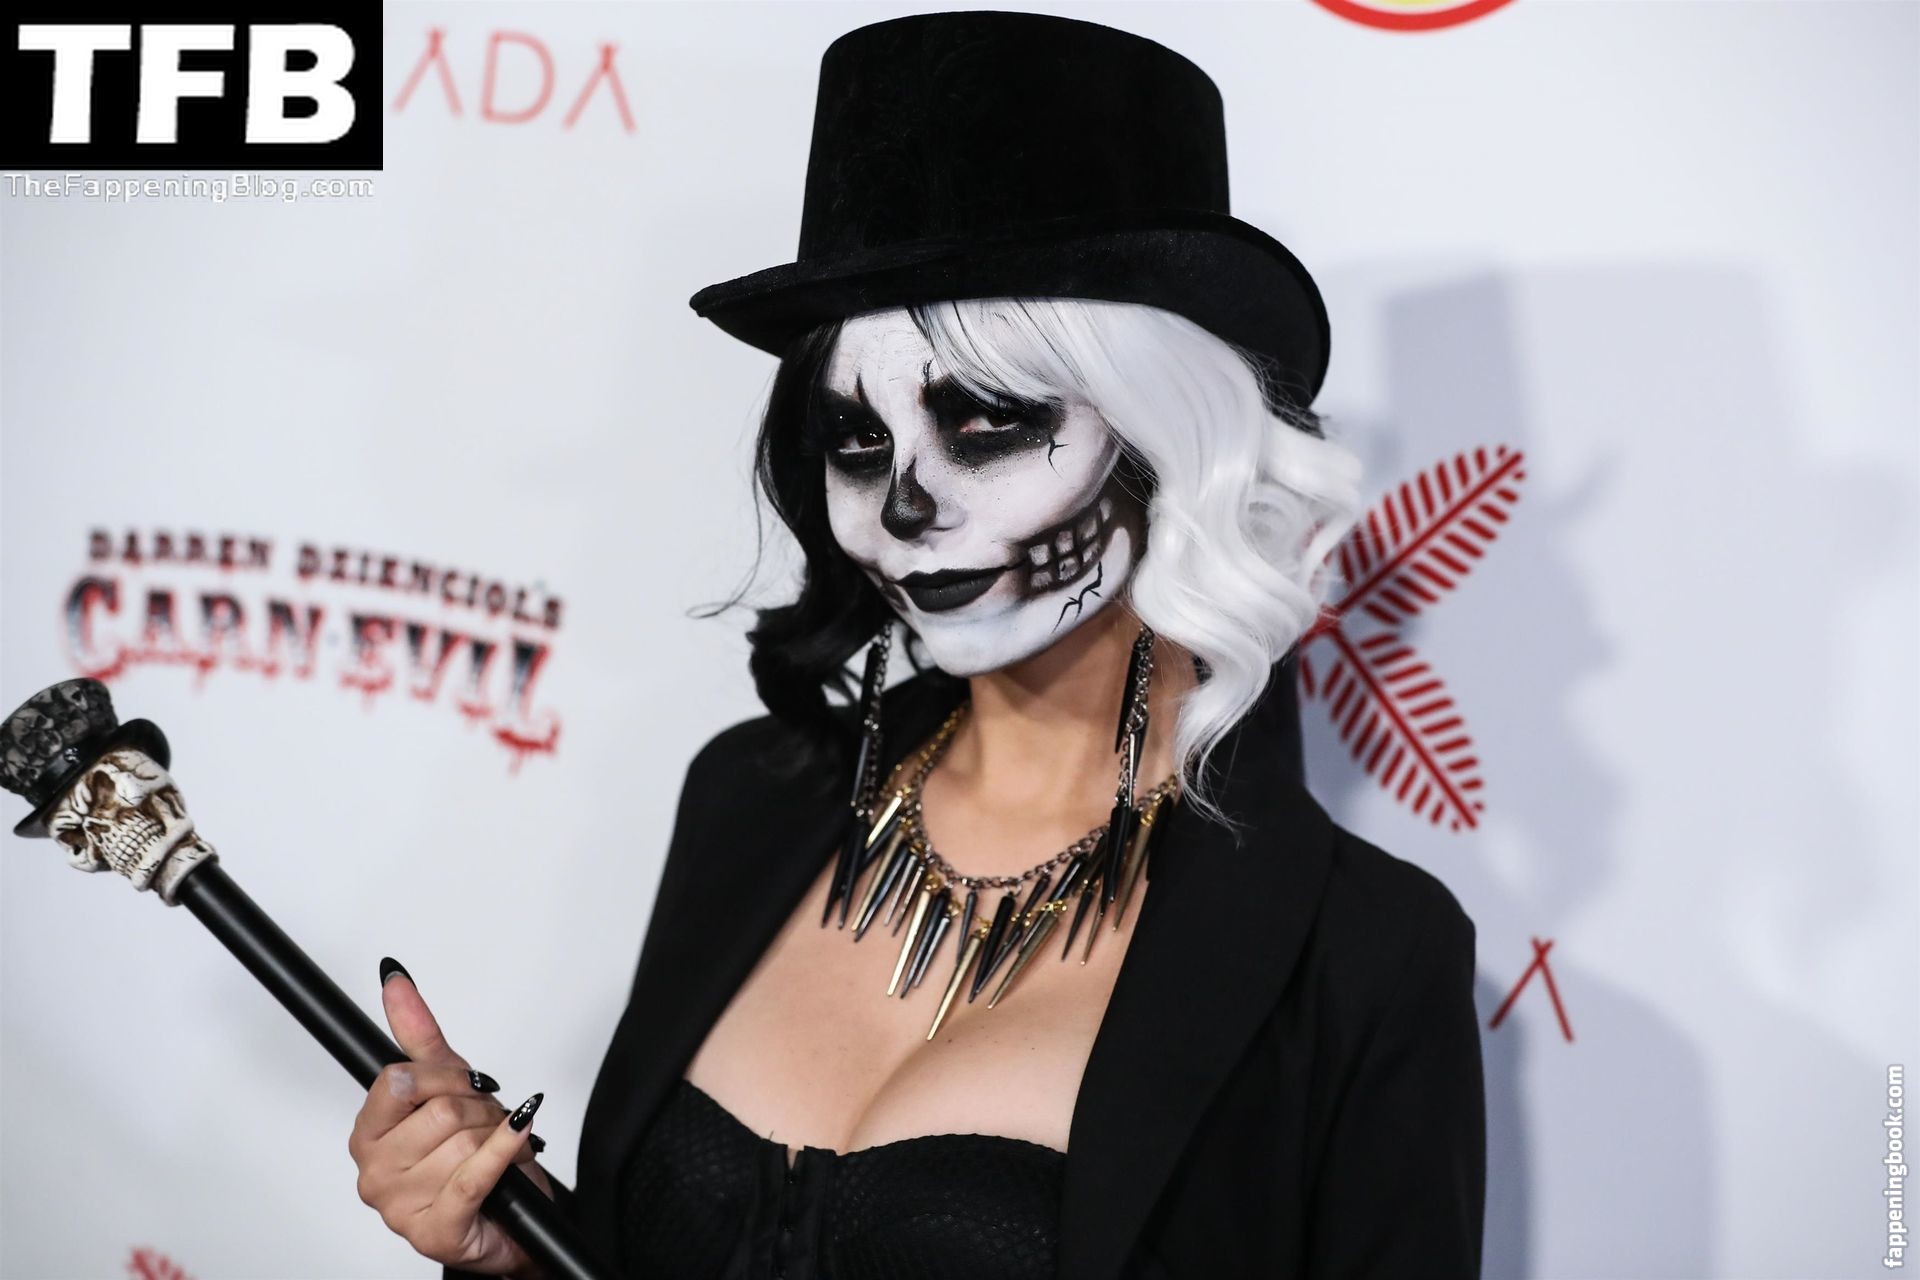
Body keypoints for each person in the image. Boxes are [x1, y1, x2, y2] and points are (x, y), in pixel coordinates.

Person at [346, 11, 1486, 1279]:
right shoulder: (751, 797)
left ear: (1172, 435)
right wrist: (509, 1256)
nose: (903, 506)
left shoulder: (1365, 956)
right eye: (858, 440)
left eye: (985, 421)